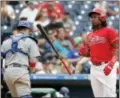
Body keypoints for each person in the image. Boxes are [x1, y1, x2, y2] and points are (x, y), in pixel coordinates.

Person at [79, 8, 118, 97]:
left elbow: (118, 49)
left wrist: (111, 64)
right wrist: (83, 52)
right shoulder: (90, 35)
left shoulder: (110, 31)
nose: (92, 19)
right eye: (92, 17)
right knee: (98, 95)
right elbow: (89, 53)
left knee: (109, 95)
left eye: (95, 17)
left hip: (107, 65)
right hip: (94, 68)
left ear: (102, 18)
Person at [1, 20, 40, 98]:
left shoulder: (6, 41)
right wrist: (32, 70)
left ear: (18, 29)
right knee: (26, 96)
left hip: (8, 73)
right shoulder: (30, 41)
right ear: (27, 29)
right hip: (20, 71)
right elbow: (33, 60)